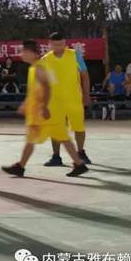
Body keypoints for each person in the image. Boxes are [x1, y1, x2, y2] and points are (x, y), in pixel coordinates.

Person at [1, 41, 88, 177]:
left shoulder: (39, 68)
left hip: (45, 112)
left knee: (47, 138)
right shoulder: (36, 67)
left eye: (23, 51)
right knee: (54, 138)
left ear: (31, 53)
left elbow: (47, 87)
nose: (21, 54)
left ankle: (21, 166)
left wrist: (45, 107)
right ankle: (78, 164)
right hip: (43, 111)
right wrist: (26, 104)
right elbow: (35, 91)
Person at [41, 32, 92, 166]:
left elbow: (85, 76)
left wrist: (86, 95)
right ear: (50, 45)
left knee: (79, 127)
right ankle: (56, 156)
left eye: (62, 44)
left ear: (65, 43)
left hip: (74, 98)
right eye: (56, 45)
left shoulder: (74, 55)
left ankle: (80, 152)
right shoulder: (45, 60)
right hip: (54, 101)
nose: (59, 47)